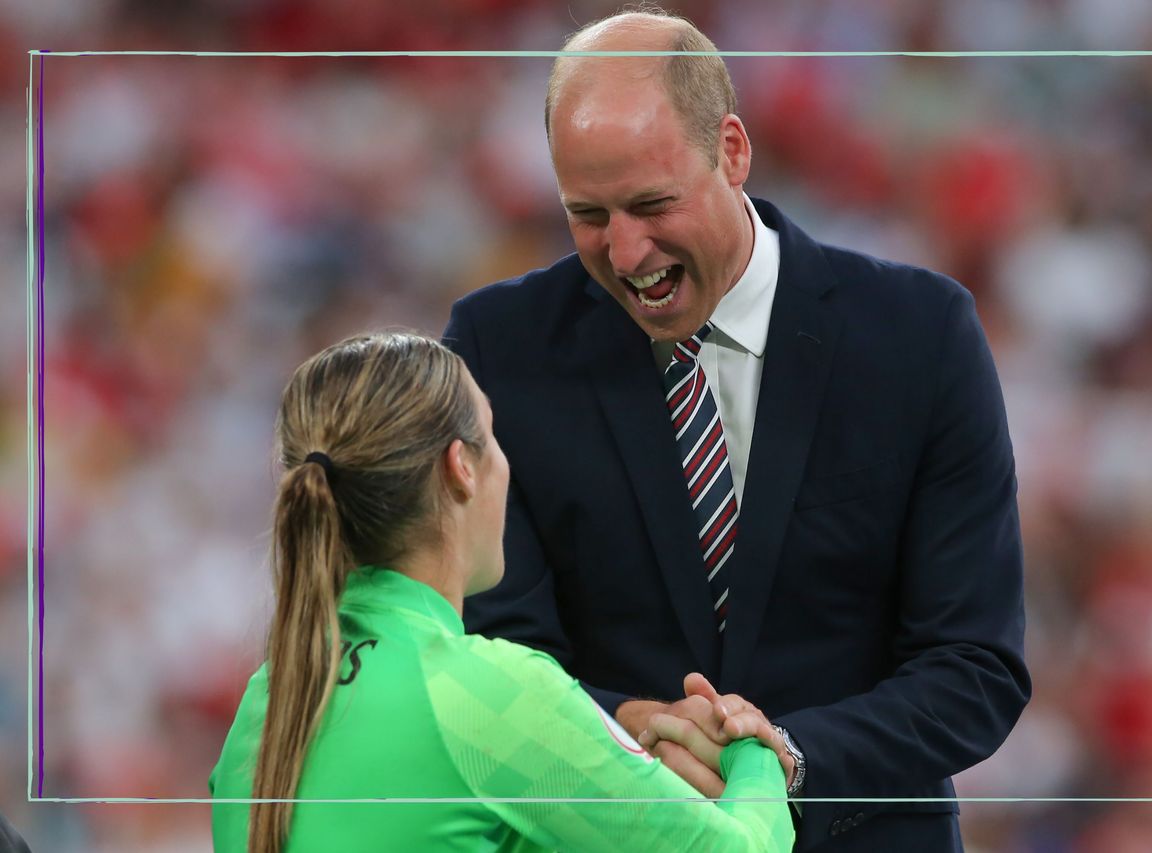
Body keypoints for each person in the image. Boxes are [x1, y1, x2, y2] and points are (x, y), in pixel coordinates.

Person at [444, 9, 1031, 851]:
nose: (626, 251)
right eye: (589, 214)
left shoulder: (918, 336)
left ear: (732, 150)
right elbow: (491, 654)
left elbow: (975, 667)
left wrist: (782, 761)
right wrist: (633, 732)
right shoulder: (499, 349)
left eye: (652, 204)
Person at [208, 332, 794, 853]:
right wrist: (751, 747)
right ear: (460, 466)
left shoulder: (266, 702)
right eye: (493, 434)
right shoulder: (485, 694)